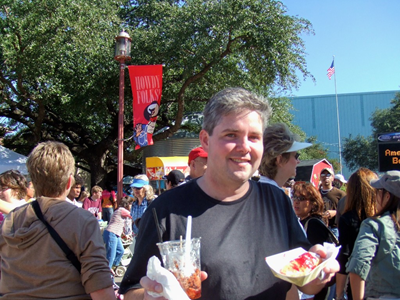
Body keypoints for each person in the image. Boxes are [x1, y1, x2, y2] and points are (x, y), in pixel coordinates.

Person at [119, 87, 338, 299]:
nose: (244, 147)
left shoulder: (276, 201)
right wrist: (150, 296)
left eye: (254, 137)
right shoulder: (166, 210)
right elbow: (131, 289)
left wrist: (320, 270)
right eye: (231, 135)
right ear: (205, 140)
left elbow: (305, 283)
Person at [0, 141, 114, 299]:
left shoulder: (10, 220)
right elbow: (100, 289)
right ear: (69, 182)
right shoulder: (82, 220)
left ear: (32, 182)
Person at [346, 170, 400, 300]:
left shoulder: (374, 225)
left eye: (377, 192)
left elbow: (358, 266)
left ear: (387, 196)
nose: (374, 196)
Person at [335, 168, 377, 300]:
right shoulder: (383, 218)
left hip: (358, 283)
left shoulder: (348, 218)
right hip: (383, 282)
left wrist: (339, 294)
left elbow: (344, 255)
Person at [292, 182, 336, 300]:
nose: (296, 201)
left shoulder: (313, 224)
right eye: (294, 197)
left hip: (316, 287)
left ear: (312, 203)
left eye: (301, 198)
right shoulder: (302, 221)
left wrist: (310, 293)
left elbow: (319, 259)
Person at [259, 122, 312, 189]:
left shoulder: (258, 189)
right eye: (296, 156)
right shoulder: (274, 194)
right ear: (280, 160)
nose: (298, 161)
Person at [103, 196, 133, 284]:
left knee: (120, 251)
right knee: (110, 257)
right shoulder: (121, 210)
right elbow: (132, 216)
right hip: (111, 233)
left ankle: (113, 268)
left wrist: (125, 235)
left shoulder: (120, 212)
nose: (131, 206)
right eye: (131, 204)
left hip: (116, 234)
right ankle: (107, 278)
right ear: (127, 204)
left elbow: (120, 224)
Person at [319, 167, 346, 238]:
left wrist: (336, 212)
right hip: (320, 227)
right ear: (320, 178)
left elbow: (348, 210)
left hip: (335, 228)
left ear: (332, 178)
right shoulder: (316, 194)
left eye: (328, 174)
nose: (325, 177)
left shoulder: (340, 194)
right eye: (323, 174)